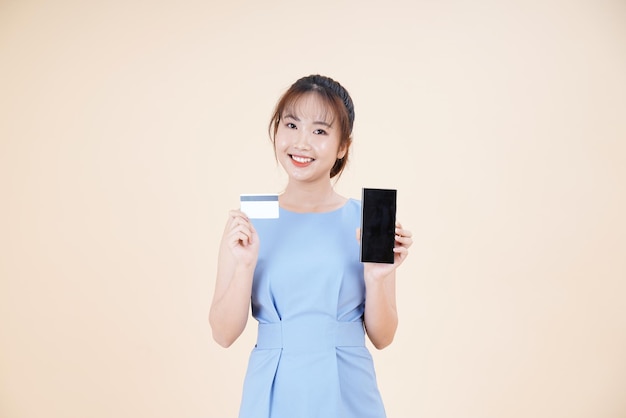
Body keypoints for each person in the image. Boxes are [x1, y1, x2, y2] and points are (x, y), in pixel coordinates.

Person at [209, 74, 413, 418]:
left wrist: (378, 277)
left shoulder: (368, 218)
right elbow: (223, 333)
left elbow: (383, 337)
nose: (301, 142)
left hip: (347, 389)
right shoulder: (250, 219)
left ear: (343, 146)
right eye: (291, 125)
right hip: (273, 390)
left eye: (319, 131)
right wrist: (244, 267)